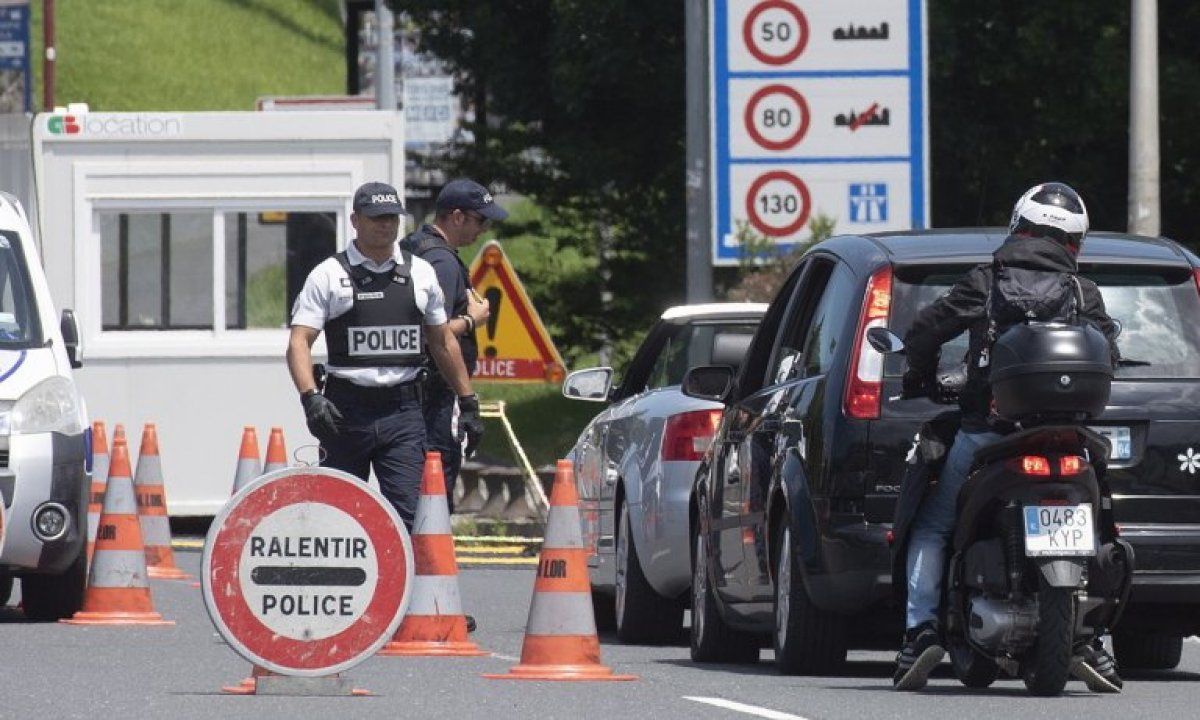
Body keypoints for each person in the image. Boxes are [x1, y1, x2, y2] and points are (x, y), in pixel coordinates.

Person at [892, 182, 1123, 692]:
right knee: (1104, 523)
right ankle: (1097, 641)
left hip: (988, 435)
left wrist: (920, 379)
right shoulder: (1083, 292)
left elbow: (926, 331)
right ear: (1075, 241)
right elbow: (1109, 349)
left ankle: (920, 633)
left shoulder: (986, 281)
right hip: (1069, 439)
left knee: (933, 523)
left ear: (1019, 225)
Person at [286, 181, 481, 530]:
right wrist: (310, 399)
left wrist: (468, 401)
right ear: (355, 220)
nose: (385, 225)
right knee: (339, 518)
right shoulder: (329, 274)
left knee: (408, 518)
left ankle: (399, 586)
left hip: (403, 412)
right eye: (376, 218)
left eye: (392, 218)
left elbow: (441, 343)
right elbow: (299, 342)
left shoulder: (421, 273)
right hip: (344, 412)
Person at [400, 178, 507, 511]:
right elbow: (437, 332)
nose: (484, 230)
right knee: (437, 474)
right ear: (457, 217)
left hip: (410, 386)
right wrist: (474, 319)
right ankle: (431, 555)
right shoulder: (443, 262)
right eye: (480, 220)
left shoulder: (411, 245)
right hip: (436, 390)